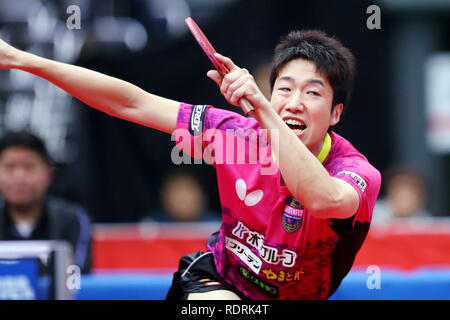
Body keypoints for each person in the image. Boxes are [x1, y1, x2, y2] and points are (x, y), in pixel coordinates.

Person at [0, 29, 381, 299]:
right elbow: (132, 102)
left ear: (335, 113)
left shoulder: (354, 172)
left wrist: (265, 109)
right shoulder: (234, 134)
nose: (295, 101)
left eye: (312, 92)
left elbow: (321, 198)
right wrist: (21, 59)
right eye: (284, 88)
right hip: (216, 283)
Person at [0, 130, 93, 274]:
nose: (19, 177)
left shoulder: (72, 220)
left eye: (29, 167)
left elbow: (75, 278)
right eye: (9, 167)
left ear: (48, 174)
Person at [141, 167, 219, 223]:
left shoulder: (217, 227)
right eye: (175, 190)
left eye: (188, 188)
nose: (182, 197)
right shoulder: (150, 227)